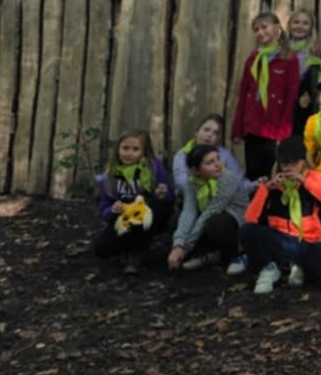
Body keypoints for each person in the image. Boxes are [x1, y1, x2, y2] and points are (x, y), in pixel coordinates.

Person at [239, 135, 321, 293]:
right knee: (247, 231)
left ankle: (294, 266)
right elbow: (251, 218)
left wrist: (304, 182)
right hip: (280, 239)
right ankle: (271, 267)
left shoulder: (315, 178)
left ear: (303, 161)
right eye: (285, 164)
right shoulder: (274, 184)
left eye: (294, 163)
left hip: (307, 242)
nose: (288, 168)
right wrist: (265, 190)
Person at [231, 12, 300, 181]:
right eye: (256, 29)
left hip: (273, 127)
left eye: (264, 27)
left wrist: (284, 132)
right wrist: (237, 129)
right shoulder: (253, 59)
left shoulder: (289, 59)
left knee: (273, 174)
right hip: (252, 126)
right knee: (254, 175)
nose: (260, 32)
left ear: (277, 29)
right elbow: (243, 94)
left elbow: (291, 96)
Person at [166, 142, 254, 274]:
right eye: (210, 162)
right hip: (208, 220)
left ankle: (236, 256)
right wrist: (178, 244)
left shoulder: (227, 178)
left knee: (216, 222)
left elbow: (210, 212)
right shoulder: (191, 183)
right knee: (177, 218)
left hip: (235, 225)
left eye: (218, 159)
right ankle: (207, 253)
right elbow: (189, 212)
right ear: (195, 170)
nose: (218, 164)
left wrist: (185, 248)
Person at [93, 130, 174, 274]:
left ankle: (136, 254)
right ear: (118, 150)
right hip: (123, 219)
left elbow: (170, 197)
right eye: (125, 148)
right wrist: (112, 210)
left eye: (135, 149)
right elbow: (104, 209)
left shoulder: (153, 169)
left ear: (144, 152)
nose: (129, 153)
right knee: (102, 249)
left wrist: (162, 194)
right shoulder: (110, 176)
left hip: (149, 216)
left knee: (141, 209)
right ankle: (125, 249)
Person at [170, 113, 241, 197]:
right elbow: (182, 184)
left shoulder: (225, 155)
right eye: (206, 130)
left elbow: (239, 180)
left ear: (219, 139)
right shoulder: (182, 155)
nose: (210, 135)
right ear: (196, 132)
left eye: (216, 133)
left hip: (223, 198)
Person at [287, 8, 321, 131]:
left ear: (311, 28)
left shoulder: (315, 51)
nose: (300, 26)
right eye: (296, 22)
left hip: (304, 101)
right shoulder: (281, 48)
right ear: (289, 25)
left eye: (305, 23)